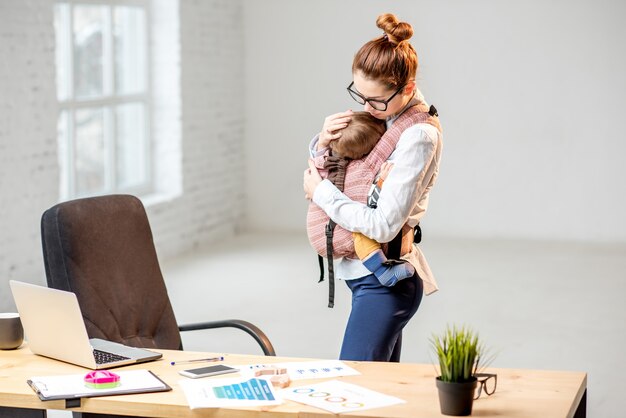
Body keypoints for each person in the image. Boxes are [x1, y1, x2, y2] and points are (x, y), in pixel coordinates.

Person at [303, 13, 443, 362]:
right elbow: (353, 170)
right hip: (364, 279)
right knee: (381, 392)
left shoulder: (418, 136)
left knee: (355, 384)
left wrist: (321, 193)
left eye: (376, 101)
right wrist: (323, 141)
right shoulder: (387, 115)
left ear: (407, 88)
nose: (366, 108)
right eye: (358, 95)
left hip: (385, 284)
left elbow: (383, 225)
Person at [309, 111, 415, 288]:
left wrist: (322, 141)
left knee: (359, 221)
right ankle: (383, 271)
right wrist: (382, 182)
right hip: (331, 235)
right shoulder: (364, 172)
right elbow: (373, 202)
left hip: (318, 234)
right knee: (363, 229)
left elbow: (318, 161)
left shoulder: (332, 164)